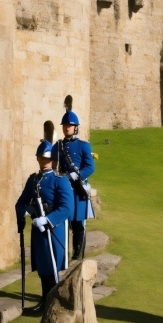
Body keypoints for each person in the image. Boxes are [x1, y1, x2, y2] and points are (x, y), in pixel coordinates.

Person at [15, 139, 74, 313]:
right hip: (37, 229)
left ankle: (54, 306)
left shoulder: (60, 180)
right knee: (42, 266)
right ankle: (44, 301)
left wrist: (47, 220)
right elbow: (21, 202)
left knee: (53, 266)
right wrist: (23, 215)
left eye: (47, 159)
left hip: (53, 229)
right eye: (41, 158)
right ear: (38, 159)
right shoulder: (33, 179)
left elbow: (66, 207)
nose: (44, 162)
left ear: (53, 160)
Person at [52, 100, 95, 260]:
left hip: (77, 188)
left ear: (76, 127)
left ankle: (77, 253)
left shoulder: (84, 146)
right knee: (63, 222)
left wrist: (78, 175)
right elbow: (54, 166)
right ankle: (61, 254)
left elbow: (90, 167)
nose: (66, 128)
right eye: (64, 125)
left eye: (69, 125)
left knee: (77, 223)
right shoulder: (58, 146)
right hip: (63, 188)